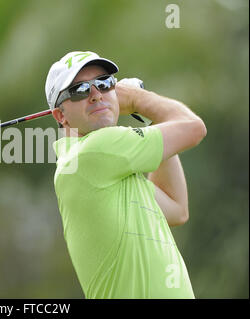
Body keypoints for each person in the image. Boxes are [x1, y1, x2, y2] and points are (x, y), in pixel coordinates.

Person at [45, 51, 207, 298]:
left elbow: (176, 208)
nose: (96, 95)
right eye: (79, 90)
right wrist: (139, 99)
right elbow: (194, 127)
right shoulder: (95, 151)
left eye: (104, 83)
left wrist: (150, 117)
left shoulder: (99, 167)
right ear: (61, 116)